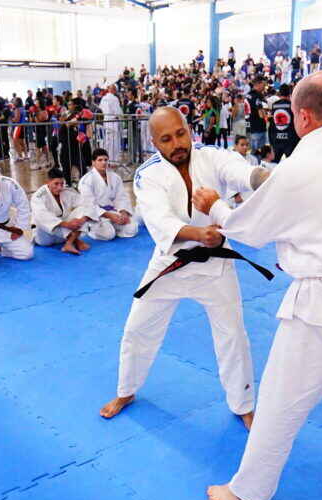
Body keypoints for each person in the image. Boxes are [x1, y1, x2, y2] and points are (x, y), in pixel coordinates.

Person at [192, 71, 322, 500]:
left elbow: (249, 228)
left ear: (302, 116)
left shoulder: (301, 170)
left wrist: (213, 204)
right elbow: (321, 183)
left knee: (280, 402)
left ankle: (250, 490)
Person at [99, 107, 271, 430]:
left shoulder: (210, 155)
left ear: (188, 129)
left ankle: (243, 403)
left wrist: (264, 178)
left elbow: (239, 171)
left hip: (216, 263)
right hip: (170, 264)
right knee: (138, 329)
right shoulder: (147, 175)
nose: (177, 143)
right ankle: (126, 391)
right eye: (166, 139)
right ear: (153, 142)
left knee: (233, 336)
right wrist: (199, 234)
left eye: (181, 133)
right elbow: (159, 220)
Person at [78, 148, 138, 241]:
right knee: (108, 234)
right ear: (93, 162)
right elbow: (89, 205)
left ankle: (114, 227)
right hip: (98, 214)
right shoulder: (86, 180)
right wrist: (110, 216)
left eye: (106, 160)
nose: (103, 163)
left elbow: (121, 197)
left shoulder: (115, 177)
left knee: (132, 229)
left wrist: (123, 213)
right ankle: (90, 229)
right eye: (100, 160)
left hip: (113, 211)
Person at [31, 168, 94, 255]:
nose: (60, 187)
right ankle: (75, 240)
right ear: (48, 182)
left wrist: (81, 220)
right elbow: (42, 217)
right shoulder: (38, 196)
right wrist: (67, 224)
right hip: (45, 237)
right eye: (56, 184)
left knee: (83, 211)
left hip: (64, 234)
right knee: (44, 220)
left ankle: (69, 243)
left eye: (62, 183)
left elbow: (85, 204)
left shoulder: (66, 191)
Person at [268, 84, 300, 162]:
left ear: (279, 93)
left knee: (274, 164)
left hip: (276, 139)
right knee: (292, 163)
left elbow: (272, 123)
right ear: (290, 93)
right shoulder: (292, 105)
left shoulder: (275, 105)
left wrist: (271, 140)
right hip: (290, 139)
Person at [99, 85, 123, 163]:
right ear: (114, 90)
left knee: (107, 141)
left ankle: (106, 158)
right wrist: (120, 116)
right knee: (114, 141)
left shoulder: (103, 98)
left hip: (106, 121)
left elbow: (101, 109)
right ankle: (113, 159)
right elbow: (118, 111)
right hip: (113, 121)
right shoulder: (114, 99)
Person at [247, 76, 268, 151]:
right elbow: (261, 114)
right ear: (258, 84)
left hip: (251, 127)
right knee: (258, 153)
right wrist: (267, 117)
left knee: (254, 152)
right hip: (258, 128)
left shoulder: (248, 95)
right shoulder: (257, 96)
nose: (265, 87)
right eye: (263, 84)